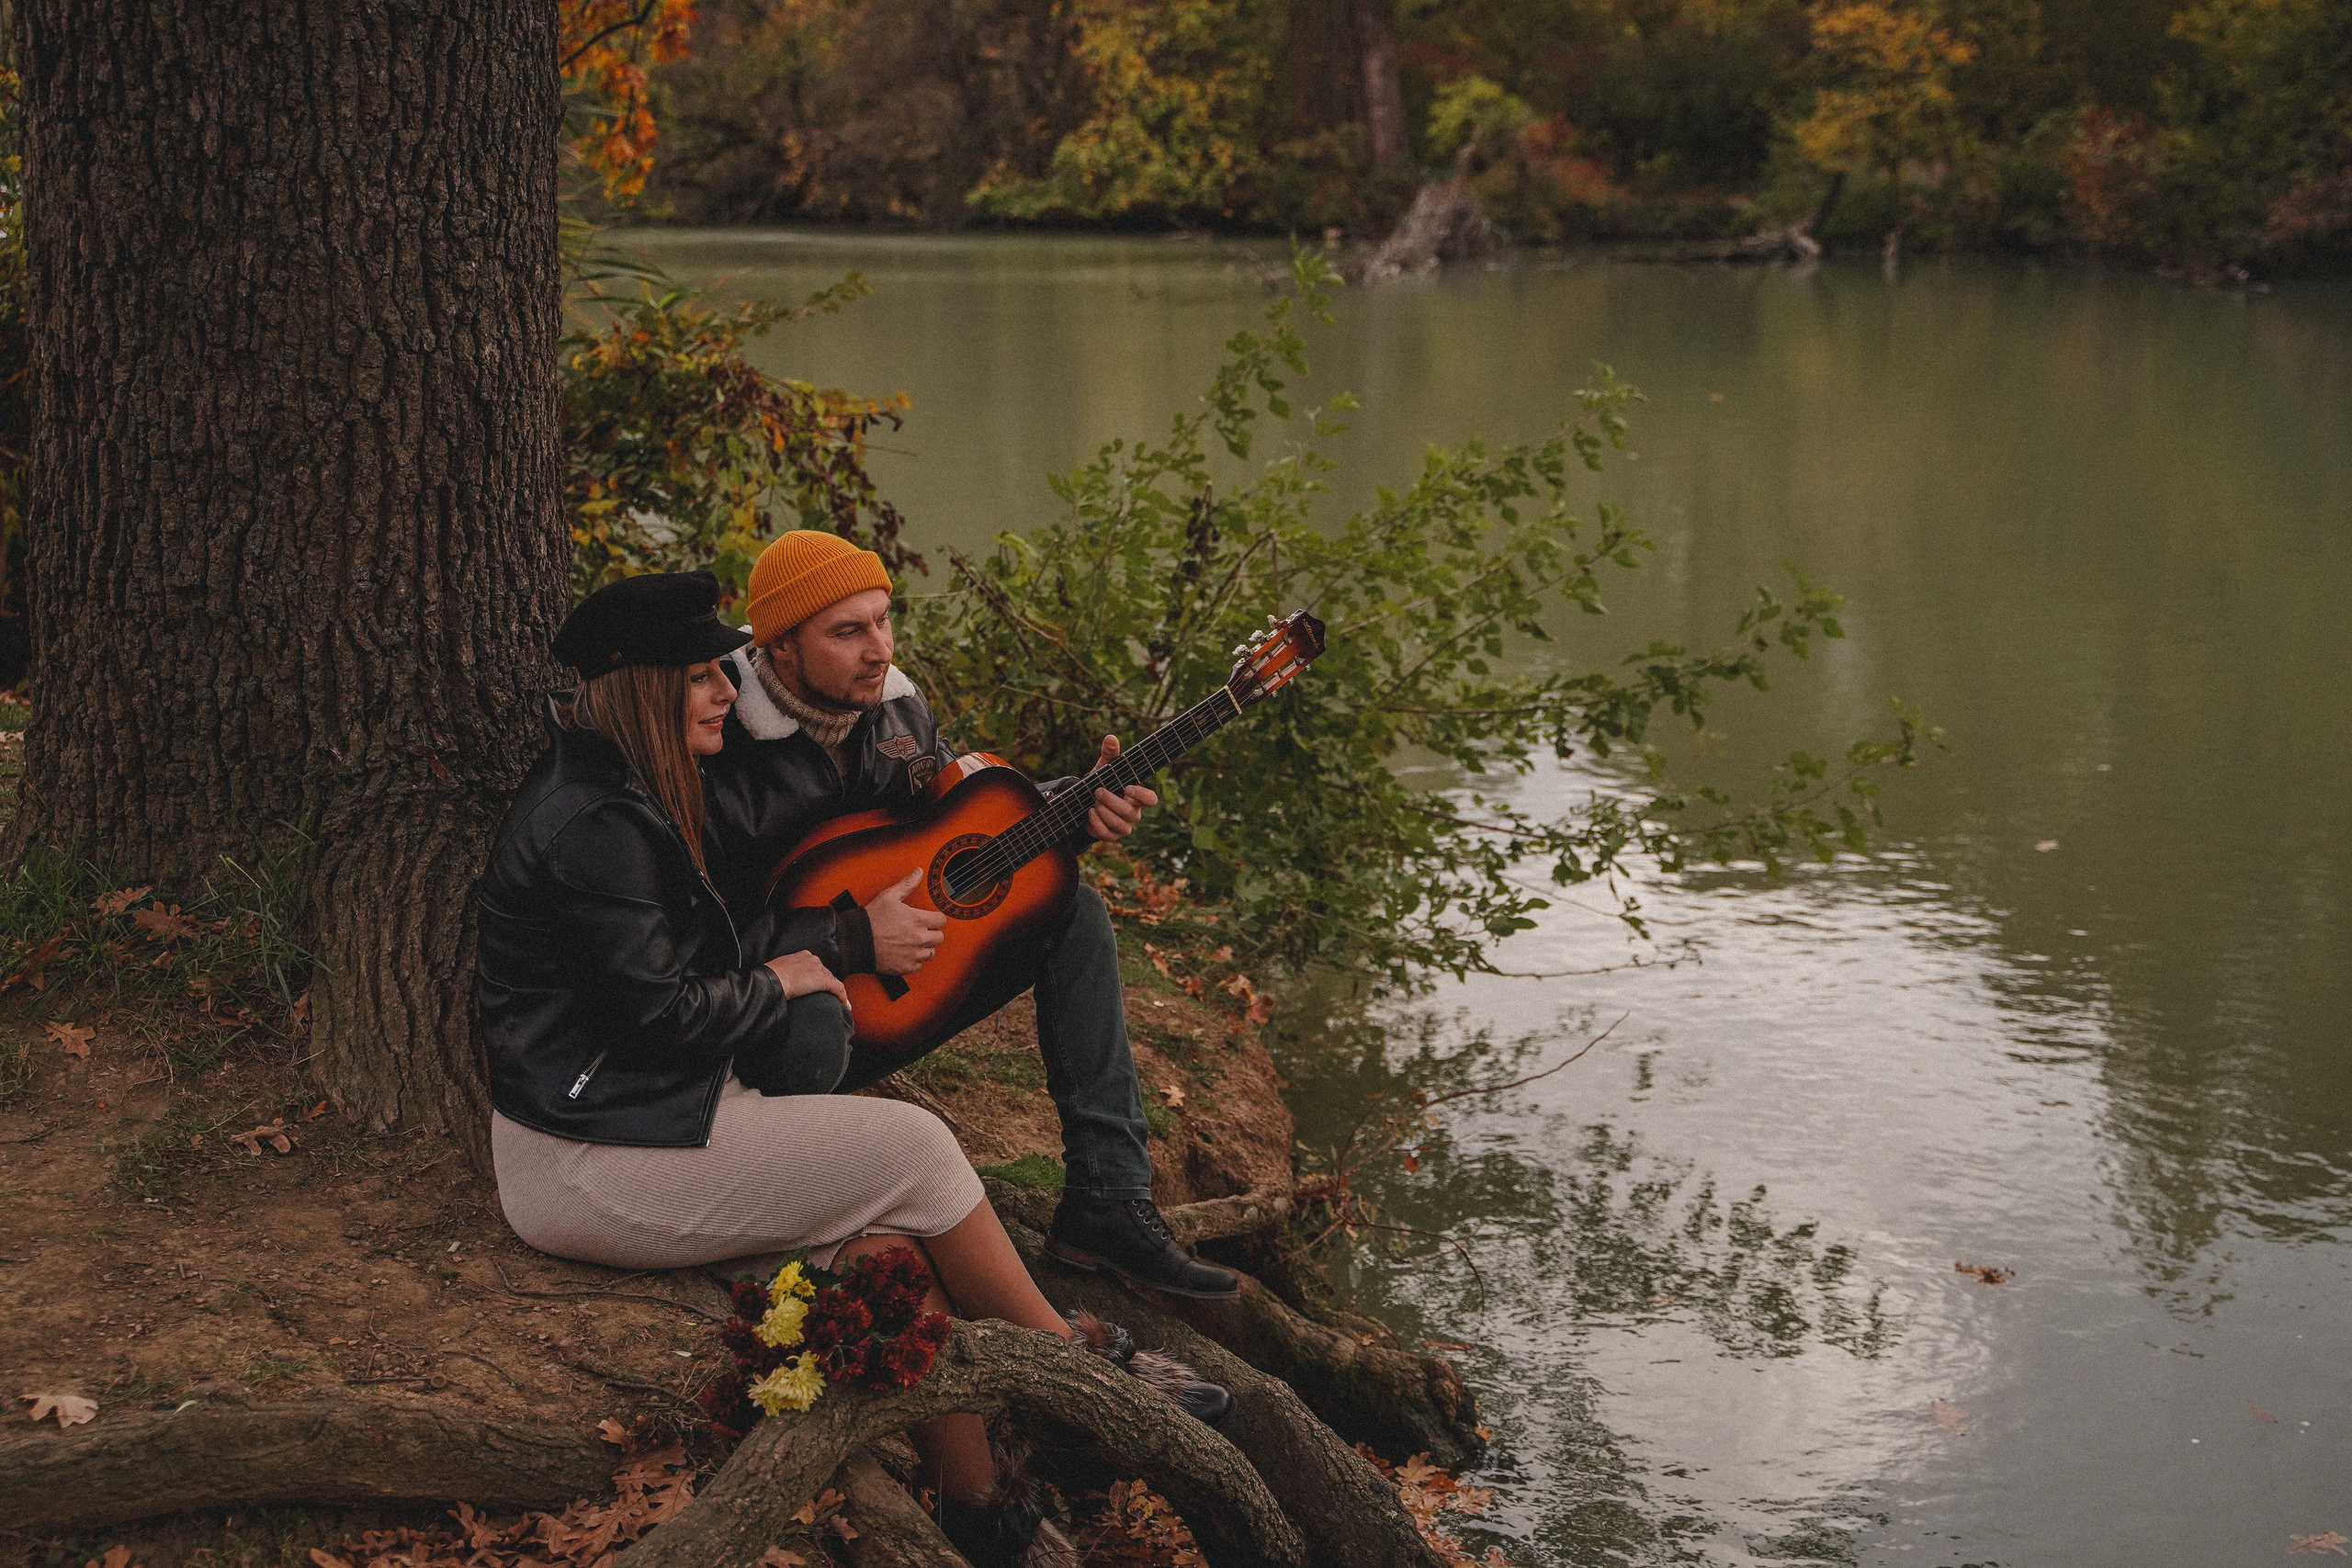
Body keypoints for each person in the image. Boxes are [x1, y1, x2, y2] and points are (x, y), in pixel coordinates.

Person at [477, 571, 1226, 1567]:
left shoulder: (637, 788)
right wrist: (799, 970)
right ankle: (1073, 1362)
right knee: (913, 1144)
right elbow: (656, 1017)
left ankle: (980, 1504)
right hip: (588, 1151)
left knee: (882, 1249)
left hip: (650, 1111)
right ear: (644, 688)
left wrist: (1063, 810)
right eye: (701, 678)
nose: (721, 694)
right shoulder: (596, 826)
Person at [700, 531, 1240, 1301]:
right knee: (814, 1018)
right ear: (780, 647)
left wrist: (1078, 808)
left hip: (893, 1001)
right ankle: (791, 1216)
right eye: (848, 631)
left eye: (883, 620)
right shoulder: (717, 744)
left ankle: (1108, 1201)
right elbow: (692, 945)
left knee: (1071, 909)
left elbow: (960, 829)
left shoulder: (898, 712)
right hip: (764, 1041)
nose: (878, 648)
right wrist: (852, 937)